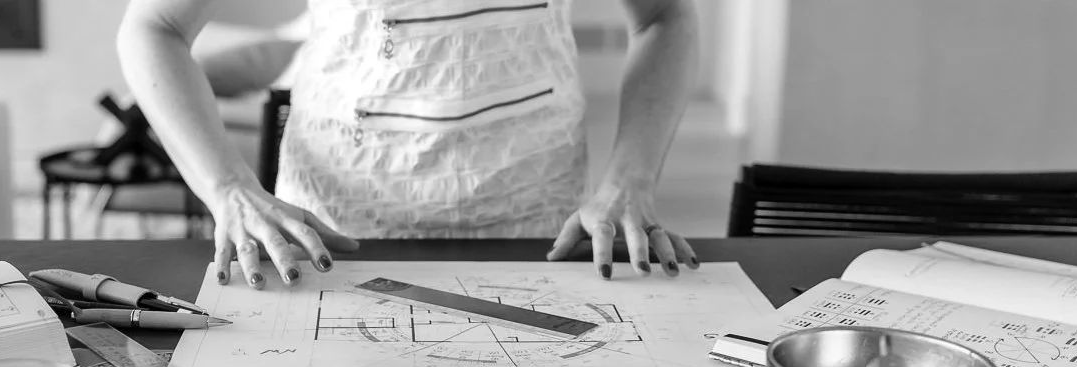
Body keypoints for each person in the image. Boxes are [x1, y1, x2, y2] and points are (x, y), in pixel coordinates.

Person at [118, 0, 700, 289]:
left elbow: (664, 15)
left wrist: (631, 179)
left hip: (538, 231)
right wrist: (227, 188)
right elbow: (155, 28)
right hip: (331, 237)